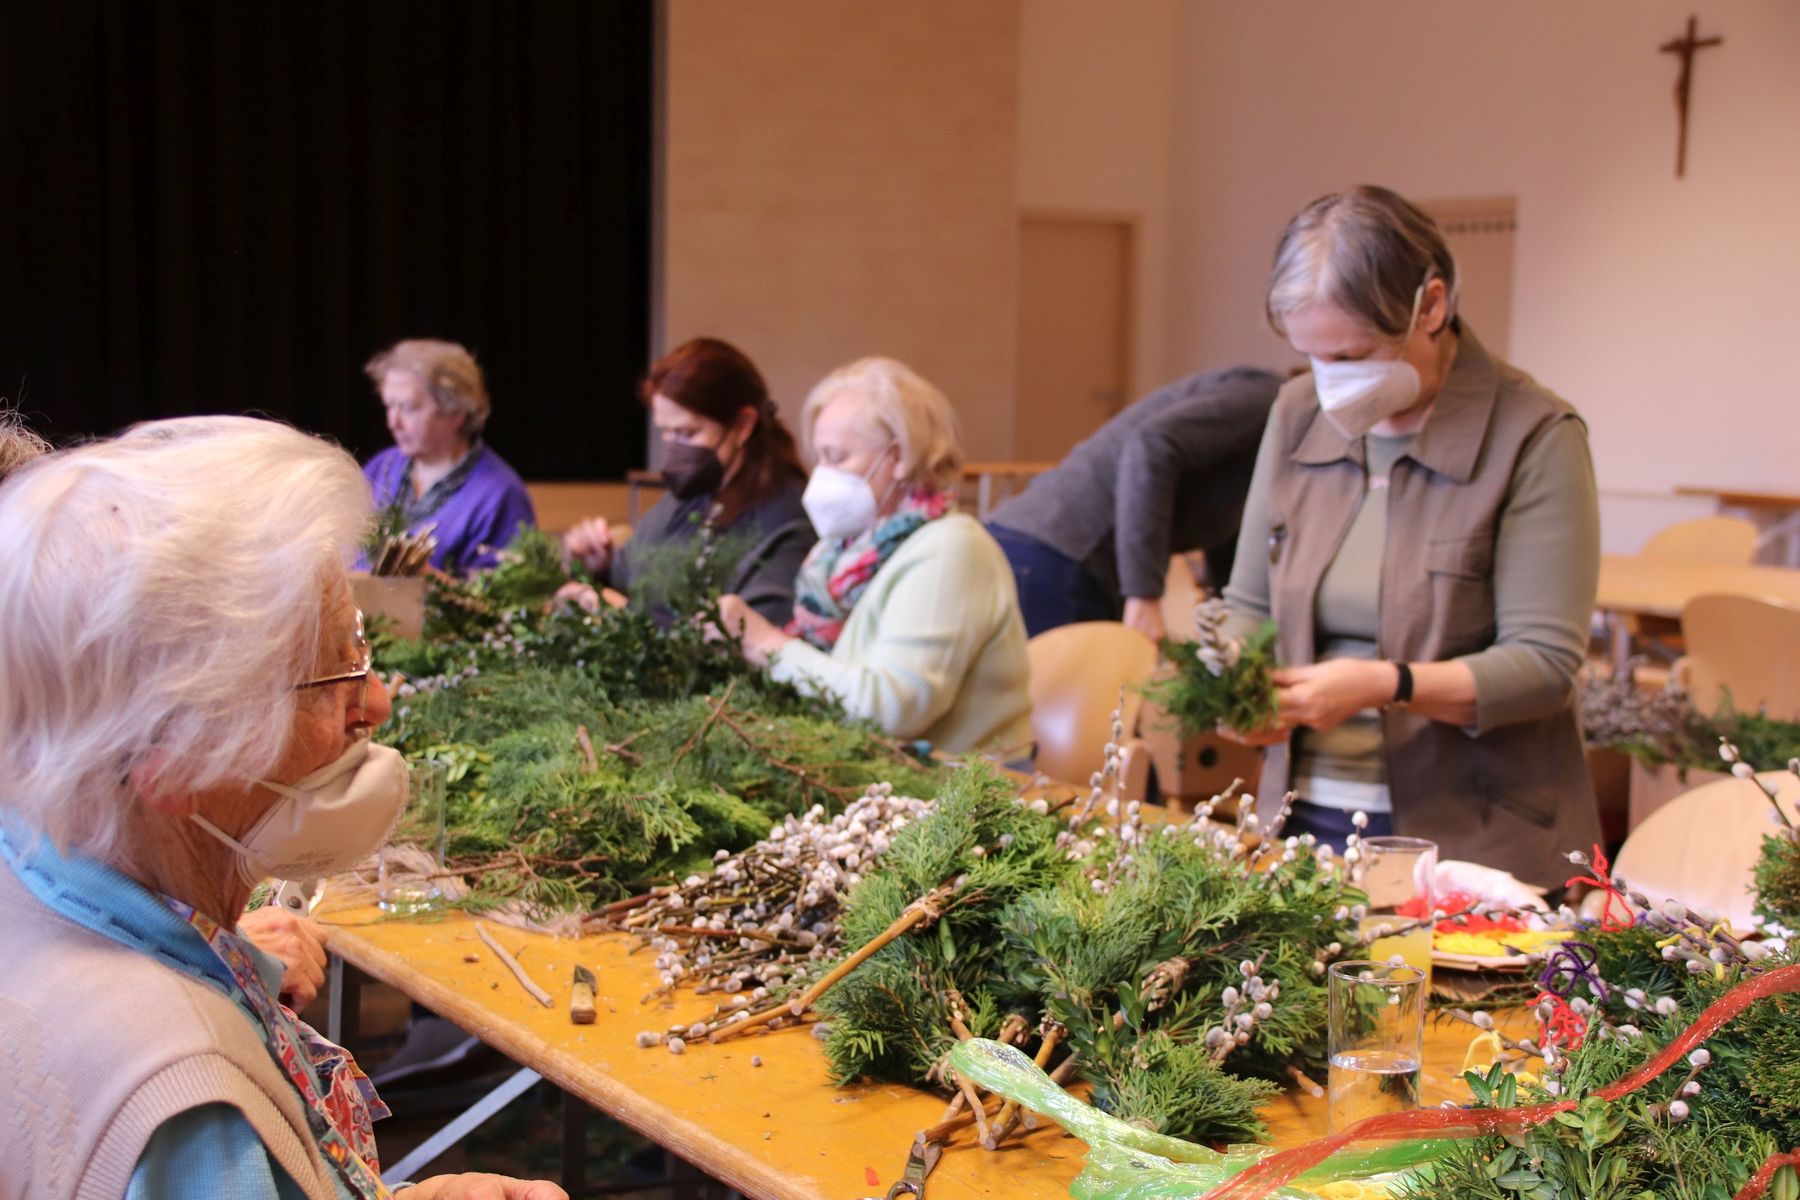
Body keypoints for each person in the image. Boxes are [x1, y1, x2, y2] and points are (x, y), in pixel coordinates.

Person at [0, 416, 565, 1199]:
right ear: (179, 756)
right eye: (334, 671)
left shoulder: (29, 874)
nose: (376, 701)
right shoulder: (190, 1112)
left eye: (362, 648)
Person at [1221, 185, 1601, 889]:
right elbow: (1248, 602)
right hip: (1304, 819)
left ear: (1431, 307)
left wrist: (1385, 684)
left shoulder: (1534, 435)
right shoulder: (1297, 412)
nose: (1331, 384)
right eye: (1313, 357)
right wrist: (1235, 681)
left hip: (1471, 840)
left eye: (1353, 354)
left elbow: (1544, 666)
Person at [716, 357, 1032, 756]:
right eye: (819, 458)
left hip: (966, 786)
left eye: (837, 457)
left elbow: (892, 711)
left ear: (898, 458)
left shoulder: (953, 548)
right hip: (878, 776)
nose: (821, 476)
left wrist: (766, 644)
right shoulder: (839, 553)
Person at [987, 367, 1283, 640]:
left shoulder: (1267, 446)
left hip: (1059, 558)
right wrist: (1144, 593)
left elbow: (1230, 541)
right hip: (1054, 555)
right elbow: (1152, 445)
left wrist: (1230, 627)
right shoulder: (1270, 400)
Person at [563, 338, 815, 623]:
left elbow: (754, 637)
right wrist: (599, 565)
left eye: (687, 433)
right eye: (666, 432)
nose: (674, 449)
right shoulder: (689, 497)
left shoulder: (785, 521)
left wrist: (627, 618)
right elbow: (633, 576)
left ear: (742, 425)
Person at [363, 338, 537, 576]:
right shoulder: (381, 467)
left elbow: (505, 594)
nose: (393, 422)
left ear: (455, 411)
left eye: (408, 408)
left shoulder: (500, 494)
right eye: (389, 406)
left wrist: (431, 581)